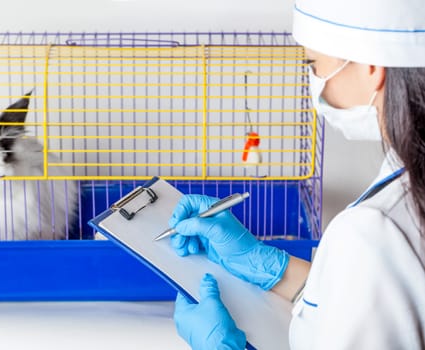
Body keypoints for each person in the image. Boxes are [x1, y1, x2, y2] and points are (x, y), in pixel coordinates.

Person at [168, 0, 425, 348]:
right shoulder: (404, 184)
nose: (314, 83)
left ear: (371, 67)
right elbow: (360, 301)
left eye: (314, 65)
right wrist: (267, 265)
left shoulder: (371, 232)